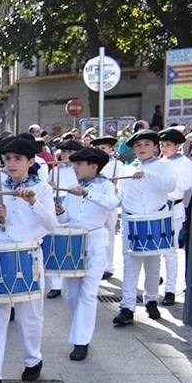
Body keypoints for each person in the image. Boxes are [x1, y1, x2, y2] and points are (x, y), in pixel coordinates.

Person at [0, 136, 55, 383]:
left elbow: (51, 224)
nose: (11, 163)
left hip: (27, 254)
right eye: (7, 158)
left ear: (30, 161)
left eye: (18, 159)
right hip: (1, 253)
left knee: (29, 316)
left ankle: (33, 358)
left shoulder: (42, 189)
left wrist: (32, 202)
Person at [55, 148, 119, 360]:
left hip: (95, 241)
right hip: (73, 243)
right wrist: (60, 212)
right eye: (74, 164)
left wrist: (87, 193)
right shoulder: (72, 188)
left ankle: (81, 341)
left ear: (93, 166)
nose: (75, 168)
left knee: (88, 292)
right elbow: (66, 219)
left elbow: (112, 203)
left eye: (79, 164)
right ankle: (80, 328)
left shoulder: (105, 185)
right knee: (71, 293)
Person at [112, 130, 176, 326]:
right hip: (132, 222)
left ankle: (151, 301)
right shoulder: (126, 169)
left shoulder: (164, 165)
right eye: (138, 145)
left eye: (147, 144)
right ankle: (127, 307)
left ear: (155, 147)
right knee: (130, 267)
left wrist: (147, 175)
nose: (142, 148)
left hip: (154, 220)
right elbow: (120, 195)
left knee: (153, 266)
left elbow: (170, 186)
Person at [158, 128, 192, 306]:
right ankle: (156, 279)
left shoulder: (184, 162)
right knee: (155, 250)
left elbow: (186, 185)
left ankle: (170, 290)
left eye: (168, 145)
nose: (164, 148)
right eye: (162, 145)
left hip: (174, 208)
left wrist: (169, 175)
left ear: (177, 146)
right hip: (158, 208)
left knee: (170, 251)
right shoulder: (160, 161)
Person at [45, 140, 82, 298]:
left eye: (70, 152)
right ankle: (55, 285)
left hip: (73, 203)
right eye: (64, 152)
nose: (66, 155)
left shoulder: (79, 169)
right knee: (55, 241)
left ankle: (72, 275)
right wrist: (50, 186)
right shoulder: (55, 170)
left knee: (71, 243)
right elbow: (47, 188)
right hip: (57, 203)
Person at [91, 136, 126, 280]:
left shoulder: (117, 164)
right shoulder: (93, 164)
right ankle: (96, 264)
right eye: (98, 148)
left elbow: (120, 185)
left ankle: (108, 266)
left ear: (111, 150)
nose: (100, 151)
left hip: (110, 202)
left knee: (109, 233)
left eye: (103, 148)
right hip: (94, 202)